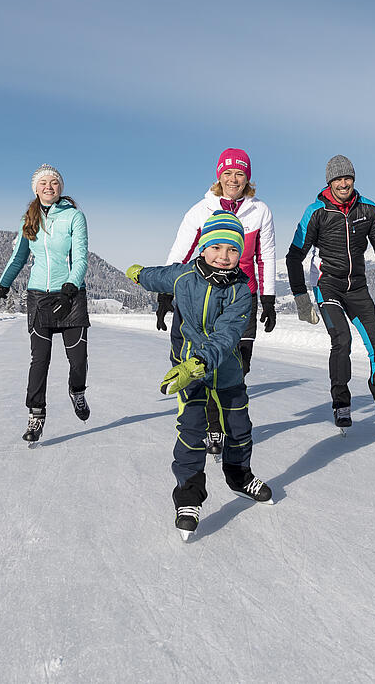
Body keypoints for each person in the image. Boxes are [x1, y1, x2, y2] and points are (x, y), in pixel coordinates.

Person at [126, 211, 274, 541]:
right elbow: (159, 276)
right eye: (217, 247)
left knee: (239, 429)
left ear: (240, 254)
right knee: (191, 431)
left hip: (226, 371)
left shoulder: (241, 291)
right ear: (204, 249)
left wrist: (198, 363)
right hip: (188, 371)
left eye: (233, 250)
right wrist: (139, 275)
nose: (224, 256)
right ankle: (189, 497)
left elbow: (227, 335)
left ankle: (238, 476)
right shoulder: (184, 277)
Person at [158, 148, 277, 456]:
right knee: (208, 360)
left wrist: (268, 297)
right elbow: (181, 253)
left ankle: (224, 417)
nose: (233, 179)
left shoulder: (260, 210)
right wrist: (165, 294)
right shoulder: (200, 210)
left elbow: (266, 255)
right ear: (218, 176)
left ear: (247, 177)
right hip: (203, 298)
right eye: (227, 173)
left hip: (242, 295)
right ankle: (213, 427)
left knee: (240, 362)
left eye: (239, 173)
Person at [285, 154, 375, 429]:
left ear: (353, 179)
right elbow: (294, 256)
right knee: (342, 340)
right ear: (330, 182)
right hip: (327, 285)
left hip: (357, 287)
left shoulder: (369, 209)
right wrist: (300, 298)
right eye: (338, 179)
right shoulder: (316, 212)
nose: (343, 183)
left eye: (347, 178)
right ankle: (341, 403)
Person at [0, 163, 91, 443]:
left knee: (78, 361)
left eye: (54, 182)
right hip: (39, 297)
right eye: (43, 183)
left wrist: (69, 290)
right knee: (39, 360)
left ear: (60, 188)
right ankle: (36, 414)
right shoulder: (28, 220)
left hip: (71, 295)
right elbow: (17, 258)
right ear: (36, 188)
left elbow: (80, 258)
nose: (48, 186)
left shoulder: (75, 217)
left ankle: (77, 391)